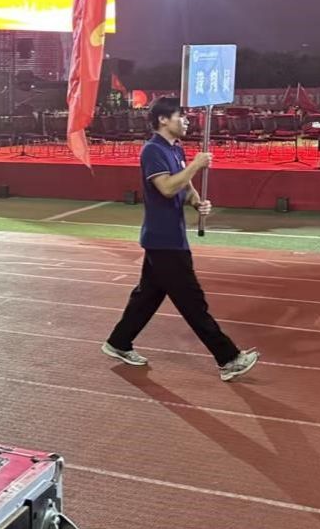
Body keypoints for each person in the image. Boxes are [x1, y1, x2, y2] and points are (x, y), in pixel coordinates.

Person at [102, 97, 259, 382]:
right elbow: (165, 187)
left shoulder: (175, 148)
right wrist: (196, 164)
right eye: (180, 116)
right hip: (164, 240)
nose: (186, 121)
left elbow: (184, 186)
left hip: (169, 237)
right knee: (192, 302)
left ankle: (119, 342)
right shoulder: (153, 150)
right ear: (163, 119)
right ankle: (229, 359)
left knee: (147, 297)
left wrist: (198, 202)